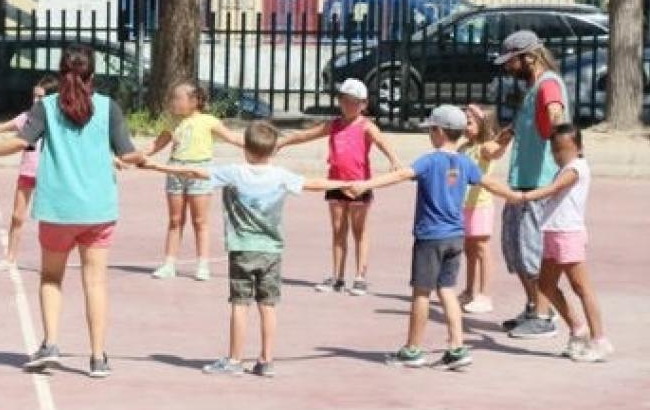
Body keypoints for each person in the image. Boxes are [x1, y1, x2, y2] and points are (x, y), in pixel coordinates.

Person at [0, 46, 145, 378]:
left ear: (61, 72)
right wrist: (143, 157)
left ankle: (50, 343)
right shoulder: (109, 108)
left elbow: (21, 142)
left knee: (51, 278)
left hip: (57, 209)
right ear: (93, 75)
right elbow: (129, 154)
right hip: (98, 209)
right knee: (96, 282)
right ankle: (97, 357)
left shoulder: (46, 107)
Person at [141, 122, 345, 378]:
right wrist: (347, 184)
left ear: (246, 148)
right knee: (268, 305)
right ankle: (266, 359)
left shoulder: (234, 173)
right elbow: (313, 183)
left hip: (242, 250)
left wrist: (157, 165)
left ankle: (235, 359)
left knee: (240, 304)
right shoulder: (280, 175)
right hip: (271, 250)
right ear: (273, 151)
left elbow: (195, 172)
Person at [346, 105, 517, 371]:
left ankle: (412, 349)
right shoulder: (464, 161)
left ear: (438, 131)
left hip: (430, 237)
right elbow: (488, 182)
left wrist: (365, 185)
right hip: (455, 236)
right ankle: (457, 347)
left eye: (430, 130)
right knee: (446, 290)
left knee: (421, 293)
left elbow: (402, 174)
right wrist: (516, 196)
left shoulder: (430, 160)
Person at [278, 78, 403, 296]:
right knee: (338, 231)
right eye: (344, 100)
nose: (348, 105)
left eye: (353, 102)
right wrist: (282, 142)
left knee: (359, 231)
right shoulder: (333, 125)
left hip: (359, 184)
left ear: (363, 104)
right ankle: (337, 276)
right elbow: (306, 134)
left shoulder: (367, 126)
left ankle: (360, 276)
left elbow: (383, 142)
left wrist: (394, 159)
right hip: (335, 183)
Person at [490, 30, 570, 339]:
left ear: (529, 57)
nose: (508, 68)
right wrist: (507, 134)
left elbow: (555, 113)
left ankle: (544, 313)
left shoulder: (548, 84)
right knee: (514, 248)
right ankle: (533, 304)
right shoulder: (534, 88)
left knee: (530, 251)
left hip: (537, 183)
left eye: (512, 61)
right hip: (521, 181)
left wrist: (556, 125)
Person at [516, 124, 607, 362]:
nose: (559, 155)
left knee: (581, 288)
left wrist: (522, 196)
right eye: (555, 150)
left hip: (568, 235)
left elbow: (554, 188)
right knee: (545, 287)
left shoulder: (577, 168)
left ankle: (600, 341)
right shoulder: (564, 168)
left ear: (578, 148)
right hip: (553, 233)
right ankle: (578, 330)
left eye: (564, 149)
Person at [145, 81, 245, 282]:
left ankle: (202, 264)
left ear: (195, 101)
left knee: (200, 221)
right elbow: (156, 144)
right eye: (172, 98)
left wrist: (261, 144)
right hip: (175, 170)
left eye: (177, 98)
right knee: (175, 220)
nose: (173, 102)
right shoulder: (172, 122)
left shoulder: (209, 121)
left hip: (200, 171)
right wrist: (134, 156)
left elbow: (233, 138)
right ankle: (169, 264)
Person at [0, 75, 58, 273]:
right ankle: (10, 257)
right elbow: (0, 127)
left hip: (50, 174)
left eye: (40, 97)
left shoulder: (58, 121)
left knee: (51, 219)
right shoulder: (26, 117)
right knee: (17, 216)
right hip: (27, 171)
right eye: (34, 96)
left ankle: (53, 259)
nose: (36, 101)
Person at [458, 103, 505, 315]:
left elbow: (497, 150)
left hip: (481, 206)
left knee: (482, 249)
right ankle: (469, 290)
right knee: (469, 250)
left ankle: (485, 295)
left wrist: (505, 138)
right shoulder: (463, 148)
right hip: (464, 206)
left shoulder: (484, 148)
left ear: (482, 123)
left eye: (468, 121)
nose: (464, 125)